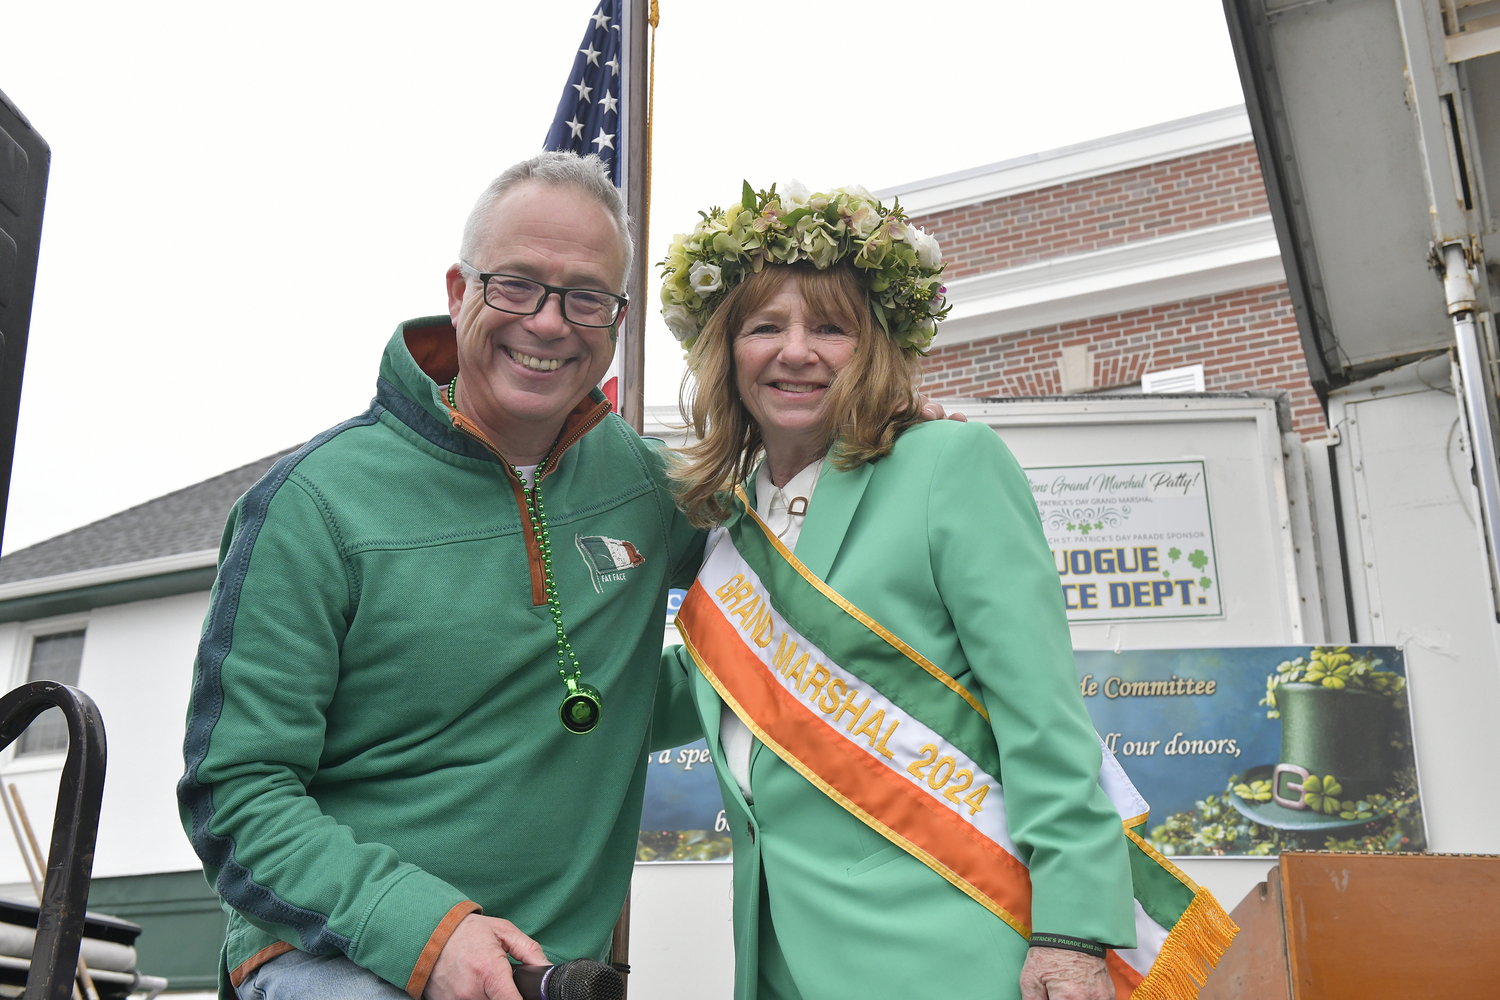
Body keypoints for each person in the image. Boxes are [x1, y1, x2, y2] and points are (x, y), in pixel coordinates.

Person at [656, 182, 1226, 1000]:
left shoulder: (946, 467)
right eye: (765, 327)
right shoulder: (731, 525)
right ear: (727, 350)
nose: (796, 351)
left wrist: (1069, 930)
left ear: (875, 347)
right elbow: (698, 688)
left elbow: (1042, 717)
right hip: (779, 956)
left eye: (830, 328)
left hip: (956, 938)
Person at [177, 151, 707, 1000]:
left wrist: (889, 443)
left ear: (616, 320)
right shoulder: (312, 505)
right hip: (332, 956)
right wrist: (428, 931)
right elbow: (236, 797)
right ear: (459, 292)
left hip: (550, 973)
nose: (548, 322)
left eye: (586, 297)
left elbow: (798, 542)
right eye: (517, 285)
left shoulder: (647, 487)